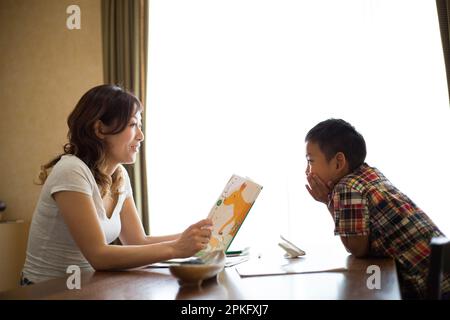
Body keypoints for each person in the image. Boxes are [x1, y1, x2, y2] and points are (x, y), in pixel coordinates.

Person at [21, 84, 212, 285]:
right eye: (132, 125)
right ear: (100, 129)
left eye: (140, 125)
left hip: (86, 287)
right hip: (47, 291)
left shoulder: (118, 175)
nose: (141, 135)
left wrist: (193, 239)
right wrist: (177, 248)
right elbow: (99, 256)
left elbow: (138, 241)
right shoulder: (71, 171)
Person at [304, 118, 450, 299]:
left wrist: (328, 201)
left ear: (338, 162)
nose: (307, 171)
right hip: (441, 279)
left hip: (422, 287)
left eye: (310, 161)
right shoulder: (370, 174)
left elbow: (357, 248)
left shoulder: (347, 187)